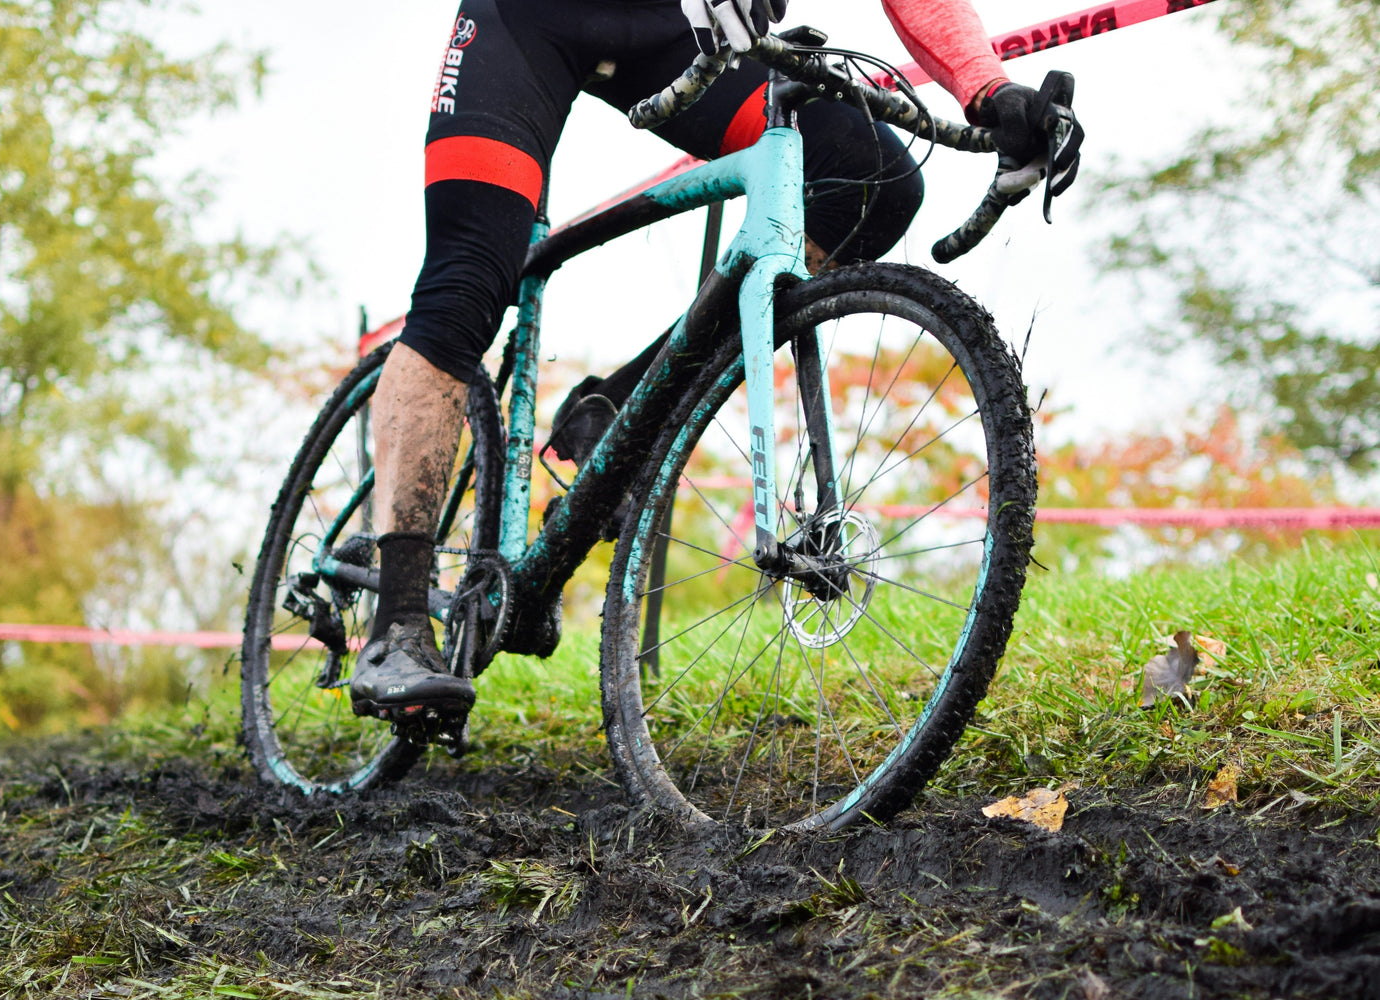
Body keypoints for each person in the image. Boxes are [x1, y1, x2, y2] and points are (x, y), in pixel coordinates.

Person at [347, 0, 1085, 721]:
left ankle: (628, 408)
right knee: (466, 286)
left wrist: (987, 88)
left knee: (870, 179)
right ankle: (397, 624)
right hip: (530, 21)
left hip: (683, 34)